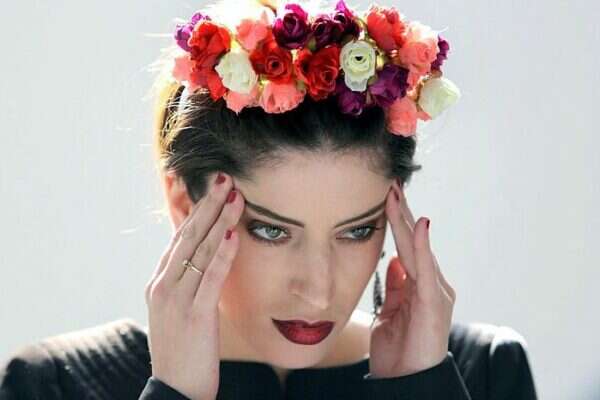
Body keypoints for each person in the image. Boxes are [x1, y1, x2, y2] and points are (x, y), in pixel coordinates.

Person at [0, 0, 538, 399]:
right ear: (184, 203)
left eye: (357, 231)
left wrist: (421, 390)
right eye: (272, 230)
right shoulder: (52, 386)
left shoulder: (484, 373)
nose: (318, 290)